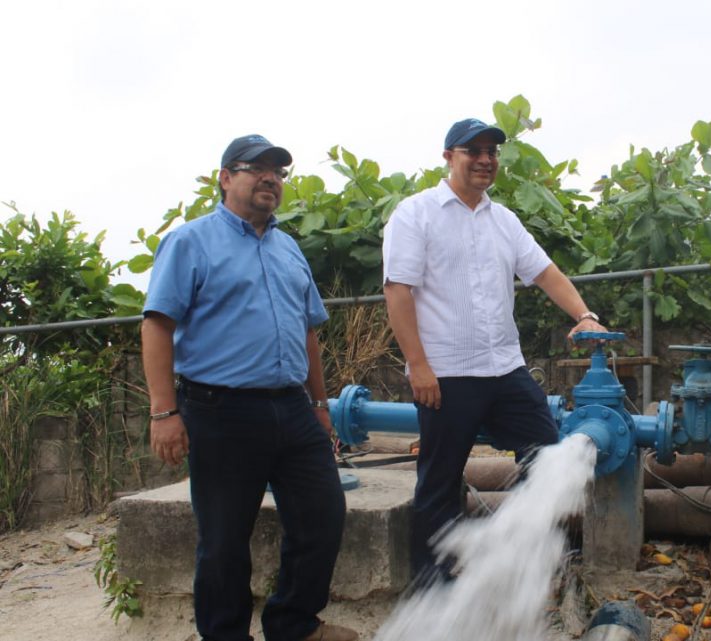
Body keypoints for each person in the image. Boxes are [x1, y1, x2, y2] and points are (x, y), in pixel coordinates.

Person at [142, 135, 358, 641]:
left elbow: (308, 333)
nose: (270, 179)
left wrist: (322, 406)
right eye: (255, 168)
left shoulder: (288, 248)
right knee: (223, 540)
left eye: (278, 172)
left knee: (323, 516)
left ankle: (293, 624)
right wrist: (163, 412)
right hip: (220, 411)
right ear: (225, 177)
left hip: (293, 409)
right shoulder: (190, 242)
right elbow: (156, 324)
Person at [382, 118, 607, 583]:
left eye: (492, 152)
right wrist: (418, 367)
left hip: (505, 368)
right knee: (440, 482)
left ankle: (512, 561)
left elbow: (545, 273)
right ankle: (434, 587)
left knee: (546, 457)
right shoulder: (415, 213)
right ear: (449, 157)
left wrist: (584, 314)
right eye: (474, 151)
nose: (486, 160)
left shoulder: (503, 220)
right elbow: (398, 291)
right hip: (445, 374)